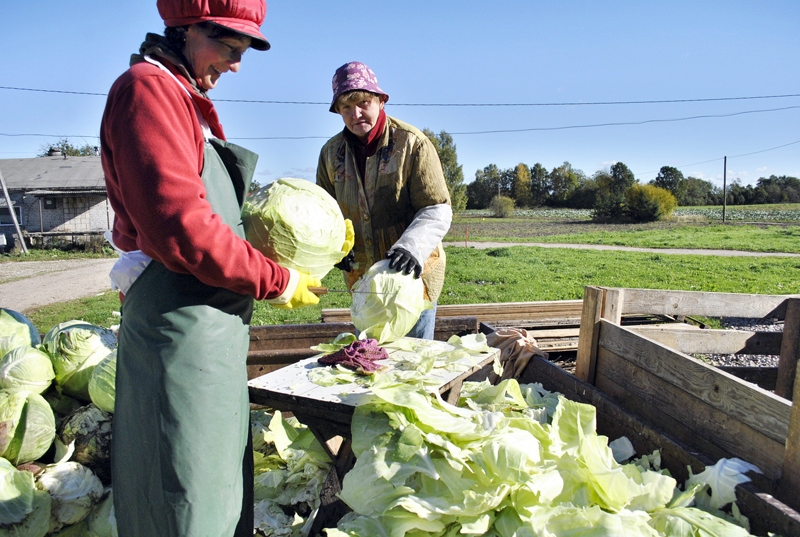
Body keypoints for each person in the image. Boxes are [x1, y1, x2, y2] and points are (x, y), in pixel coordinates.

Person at [99, 1, 321, 535]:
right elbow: (183, 229)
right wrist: (278, 278)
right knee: (182, 495)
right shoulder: (147, 92)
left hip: (208, 337)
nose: (236, 65)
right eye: (229, 49)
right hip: (178, 338)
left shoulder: (180, 97)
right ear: (186, 29)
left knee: (214, 492)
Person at [317, 61, 452, 340]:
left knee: (412, 367)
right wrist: (334, 248)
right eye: (345, 108)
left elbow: (437, 207)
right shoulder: (331, 154)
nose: (356, 114)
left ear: (380, 100)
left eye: (363, 103)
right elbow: (325, 212)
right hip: (364, 284)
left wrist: (412, 246)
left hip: (412, 280)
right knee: (371, 367)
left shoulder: (411, 143)